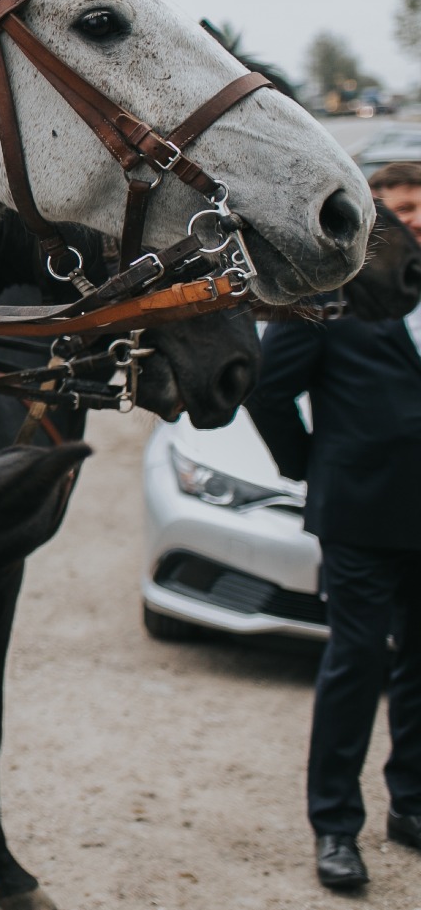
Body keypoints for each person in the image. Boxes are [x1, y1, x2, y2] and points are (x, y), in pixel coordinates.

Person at [244, 162, 421, 892]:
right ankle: (336, 827)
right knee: (357, 661)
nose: (418, 217)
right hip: (359, 514)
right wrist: (311, 468)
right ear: (379, 221)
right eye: (404, 206)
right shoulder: (332, 299)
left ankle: (410, 805)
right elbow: (266, 387)